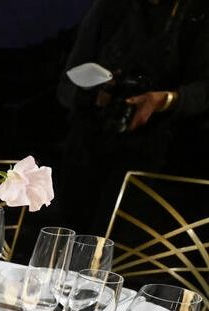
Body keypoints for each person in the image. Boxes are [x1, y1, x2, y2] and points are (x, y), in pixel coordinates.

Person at [57, 0, 209, 234]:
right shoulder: (110, 9)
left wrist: (164, 100)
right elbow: (67, 86)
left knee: (120, 249)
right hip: (88, 147)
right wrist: (96, 94)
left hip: (163, 162)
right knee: (68, 237)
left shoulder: (197, 13)